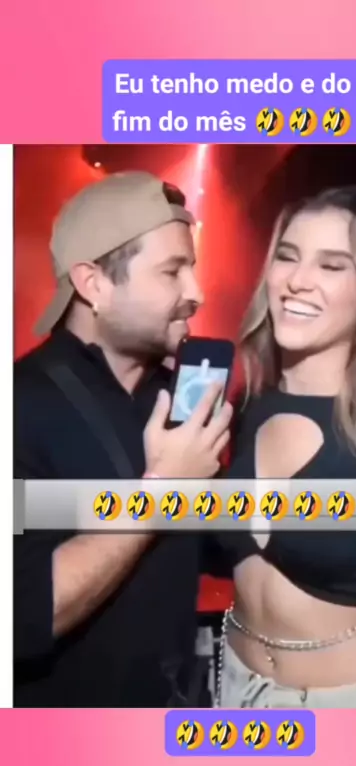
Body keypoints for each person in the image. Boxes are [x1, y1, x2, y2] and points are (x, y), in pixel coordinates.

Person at [214, 186, 356, 709]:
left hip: (350, 704)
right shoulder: (246, 407)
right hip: (234, 689)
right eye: (287, 256)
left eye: (332, 265)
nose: (298, 280)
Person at [14, 171, 232, 707]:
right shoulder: (20, 407)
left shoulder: (176, 396)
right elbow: (23, 616)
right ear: (93, 284)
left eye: (192, 269)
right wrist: (161, 492)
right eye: (172, 271)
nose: (196, 293)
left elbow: (220, 551)